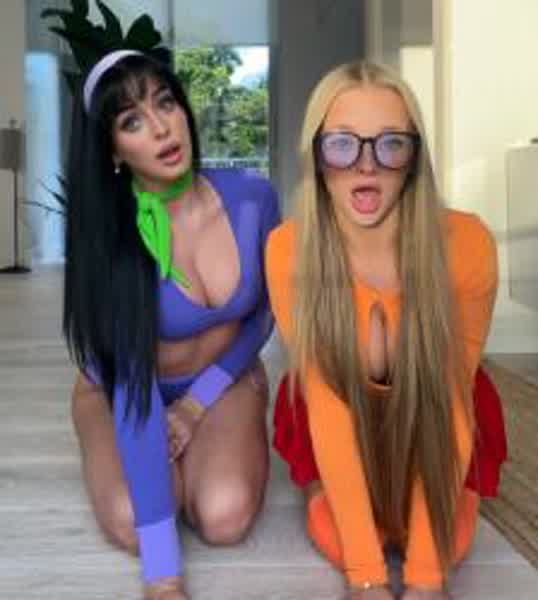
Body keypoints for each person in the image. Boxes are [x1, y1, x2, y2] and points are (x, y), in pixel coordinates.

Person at [265, 61, 500, 599]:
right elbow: (328, 408)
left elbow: (450, 405)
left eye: (391, 143)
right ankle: (333, 495)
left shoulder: (468, 245)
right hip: (338, 422)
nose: (366, 165)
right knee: (341, 539)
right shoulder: (287, 250)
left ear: (414, 157)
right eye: (342, 144)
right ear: (316, 154)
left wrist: (426, 579)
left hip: (435, 424)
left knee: (444, 548)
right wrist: (366, 578)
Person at [64, 48, 280, 600]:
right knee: (136, 523)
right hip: (124, 389)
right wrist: (164, 581)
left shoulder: (253, 198)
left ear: (184, 108)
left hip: (223, 378)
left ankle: (204, 450)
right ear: (113, 150)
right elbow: (132, 378)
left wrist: (196, 404)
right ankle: (109, 441)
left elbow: (264, 311)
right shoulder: (110, 240)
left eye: (165, 103)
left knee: (224, 518)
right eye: (132, 121)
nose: (161, 128)